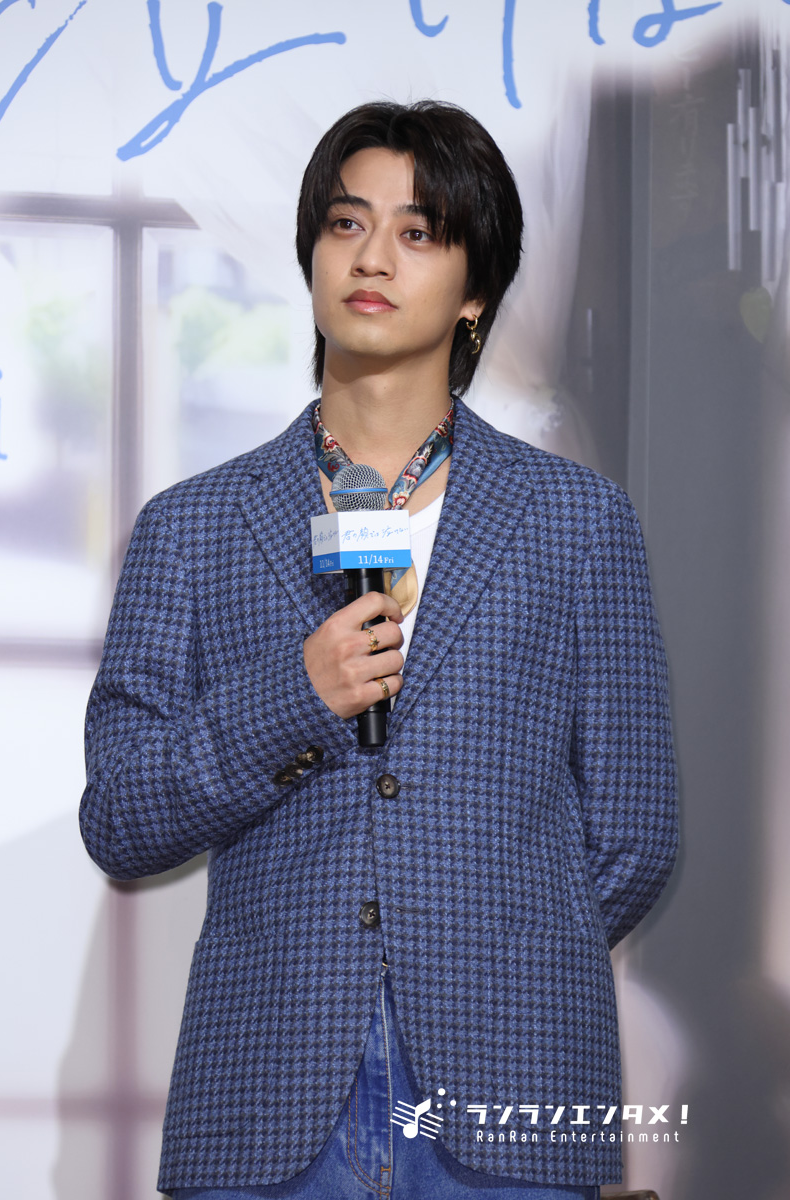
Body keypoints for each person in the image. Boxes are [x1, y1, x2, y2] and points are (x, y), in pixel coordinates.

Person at [79, 101, 678, 1199]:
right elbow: (119, 818)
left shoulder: (578, 521)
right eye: (346, 223)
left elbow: (635, 830)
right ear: (311, 253)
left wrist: (494, 965)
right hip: (265, 1097)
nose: (372, 257)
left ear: (476, 288)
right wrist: (293, 699)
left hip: (509, 1098)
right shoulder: (192, 527)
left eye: (419, 232)